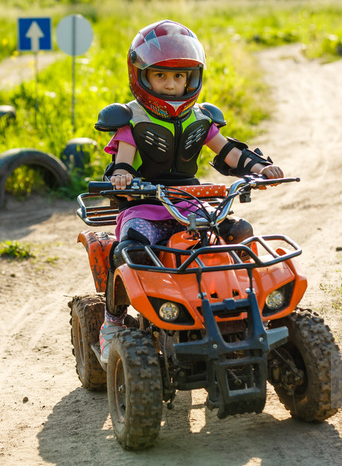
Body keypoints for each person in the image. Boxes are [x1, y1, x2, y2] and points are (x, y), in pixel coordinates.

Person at [94, 19, 284, 362]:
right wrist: (121, 176)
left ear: (192, 77)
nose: (170, 85)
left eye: (179, 76)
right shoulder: (130, 118)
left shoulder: (201, 118)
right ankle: (113, 324)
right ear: (142, 76)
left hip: (190, 203)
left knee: (237, 232)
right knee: (131, 250)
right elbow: (122, 161)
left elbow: (228, 152)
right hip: (145, 205)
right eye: (161, 76)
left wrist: (259, 168)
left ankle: (246, 308)